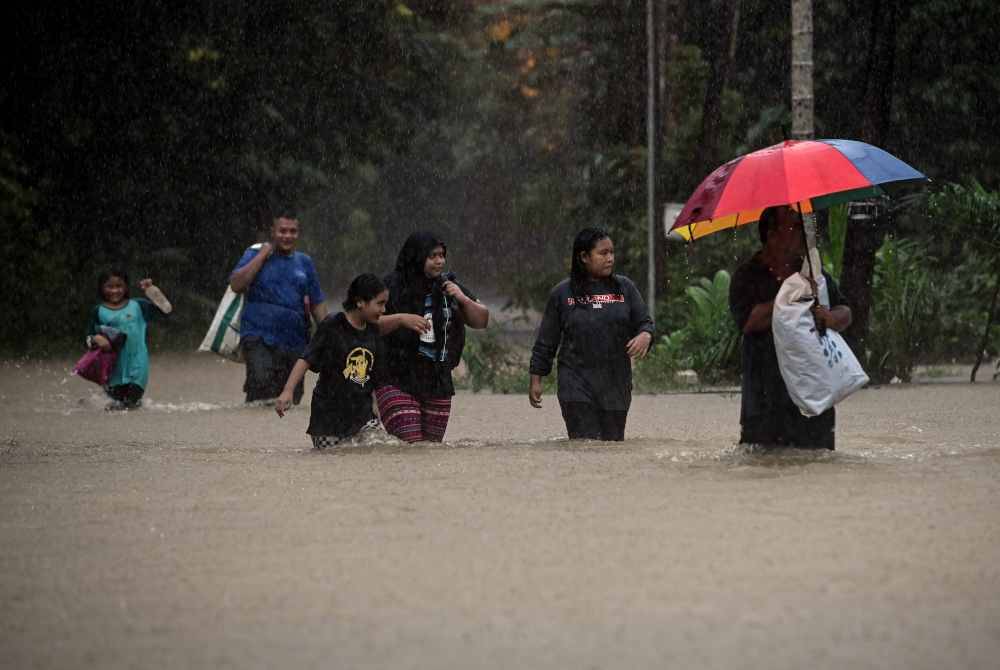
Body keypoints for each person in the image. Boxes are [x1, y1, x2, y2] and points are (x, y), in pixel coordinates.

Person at [729, 205, 853, 450]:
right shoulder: (747, 275)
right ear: (772, 234)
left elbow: (845, 311)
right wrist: (791, 297)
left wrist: (828, 317)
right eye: (795, 226)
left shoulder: (812, 273)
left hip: (814, 405)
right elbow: (750, 321)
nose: (803, 233)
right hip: (764, 406)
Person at [528, 228, 654, 441]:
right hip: (575, 385)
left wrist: (645, 335)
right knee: (584, 446)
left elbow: (645, 323)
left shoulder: (625, 288)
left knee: (612, 448)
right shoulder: (562, 294)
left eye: (612, 252)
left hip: (616, 386)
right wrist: (536, 379)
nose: (610, 258)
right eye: (603, 253)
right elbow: (546, 341)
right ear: (584, 257)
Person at [375, 231, 489, 443]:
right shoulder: (390, 287)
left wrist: (462, 298)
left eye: (442, 255)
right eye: (432, 256)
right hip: (395, 376)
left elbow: (481, 320)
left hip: (437, 379)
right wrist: (400, 319)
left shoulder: (448, 287)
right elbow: (367, 324)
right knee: (411, 444)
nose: (439, 261)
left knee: (430, 451)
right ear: (417, 257)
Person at [275, 274, 388, 450]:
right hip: (328, 419)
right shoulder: (333, 325)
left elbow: (373, 378)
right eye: (380, 304)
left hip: (363, 417)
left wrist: (377, 410)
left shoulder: (373, 331)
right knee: (333, 462)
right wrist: (288, 391)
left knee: (381, 450)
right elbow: (306, 358)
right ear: (360, 302)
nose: (384, 310)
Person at [230, 214, 328, 404]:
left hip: (295, 341)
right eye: (282, 231)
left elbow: (317, 303)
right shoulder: (254, 254)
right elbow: (236, 284)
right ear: (272, 233)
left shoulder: (304, 262)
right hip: (258, 336)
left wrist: (332, 335)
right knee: (261, 388)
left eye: (293, 231)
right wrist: (261, 256)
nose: (287, 236)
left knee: (291, 398)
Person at [86, 269, 173, 409]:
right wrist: (96, 340)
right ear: (101, 288)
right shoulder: (98, 311)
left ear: (126, 287)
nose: (115, 291)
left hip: (138, 365)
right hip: (112, 368)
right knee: (115, 406)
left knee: (130, 404)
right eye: (110, 286)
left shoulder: (139, 305)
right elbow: (88, 338)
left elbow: (167, 310)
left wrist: (152, 291)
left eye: (119, 286)